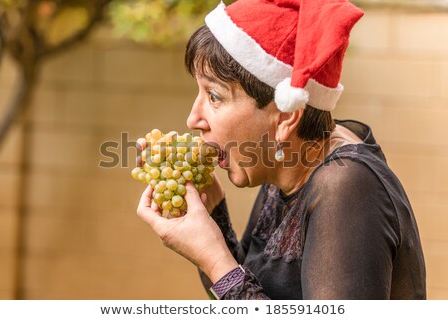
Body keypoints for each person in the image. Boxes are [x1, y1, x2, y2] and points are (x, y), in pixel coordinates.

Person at [136, 0, 426, 299]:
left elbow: (232, 281)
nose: (193, 119)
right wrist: (212, 217)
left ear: (286, 117)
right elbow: (248, 289)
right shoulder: (287, 163)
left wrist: (215, 260)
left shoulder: (345, 184)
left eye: (214, 96)